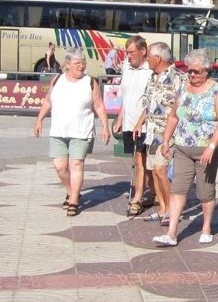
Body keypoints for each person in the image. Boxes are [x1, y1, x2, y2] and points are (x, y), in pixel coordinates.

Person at [154, 49, 218, 247]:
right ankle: (171, 233)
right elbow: (173, 116)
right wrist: (165, 140)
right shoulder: (183, 88)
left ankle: (206, 228)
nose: (192, 75)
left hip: (206, 149)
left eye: (196, 71)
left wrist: (212, 146)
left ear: (206, 71)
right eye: (189, 71)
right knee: (178, 189)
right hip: (182, 147)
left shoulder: (217, 91)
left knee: (205, 191)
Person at [32, 47, 111, 216]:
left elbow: (98, 105)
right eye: (77, 63)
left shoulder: (90, 82)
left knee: (76, 164)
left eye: (83, 63)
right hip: (59, 130)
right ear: (67, 64)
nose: (81, 66)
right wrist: (39, 120)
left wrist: (105, 126)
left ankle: (74, 199)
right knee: (60, 166)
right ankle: (70, 190)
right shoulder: (57, 80)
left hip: (81, 131)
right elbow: (48, 101)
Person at [133, 42, 186, 226]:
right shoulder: (153, 77)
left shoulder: (178, 78)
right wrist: (140, 123)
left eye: (149, 56)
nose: (146, 59)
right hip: (151, 131)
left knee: (160, 169)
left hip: (167, 133)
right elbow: (149, 105)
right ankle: (163, 208)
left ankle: (172, 210)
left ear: (158, 58)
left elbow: (183, 106)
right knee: (154, 172)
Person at [113, 35, 151, 216]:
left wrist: (140, 122)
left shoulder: (150, 71)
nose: (128, 56)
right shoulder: (127, 69)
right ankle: (152, 190)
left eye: (132, 52)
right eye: (127, 52)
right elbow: (126, 98)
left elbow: (151, 101)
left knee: (141, 160)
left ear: (143, 51)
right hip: (129, 122)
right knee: (138, 160)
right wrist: (120, 119)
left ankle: (137, 197)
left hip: (144, 124)